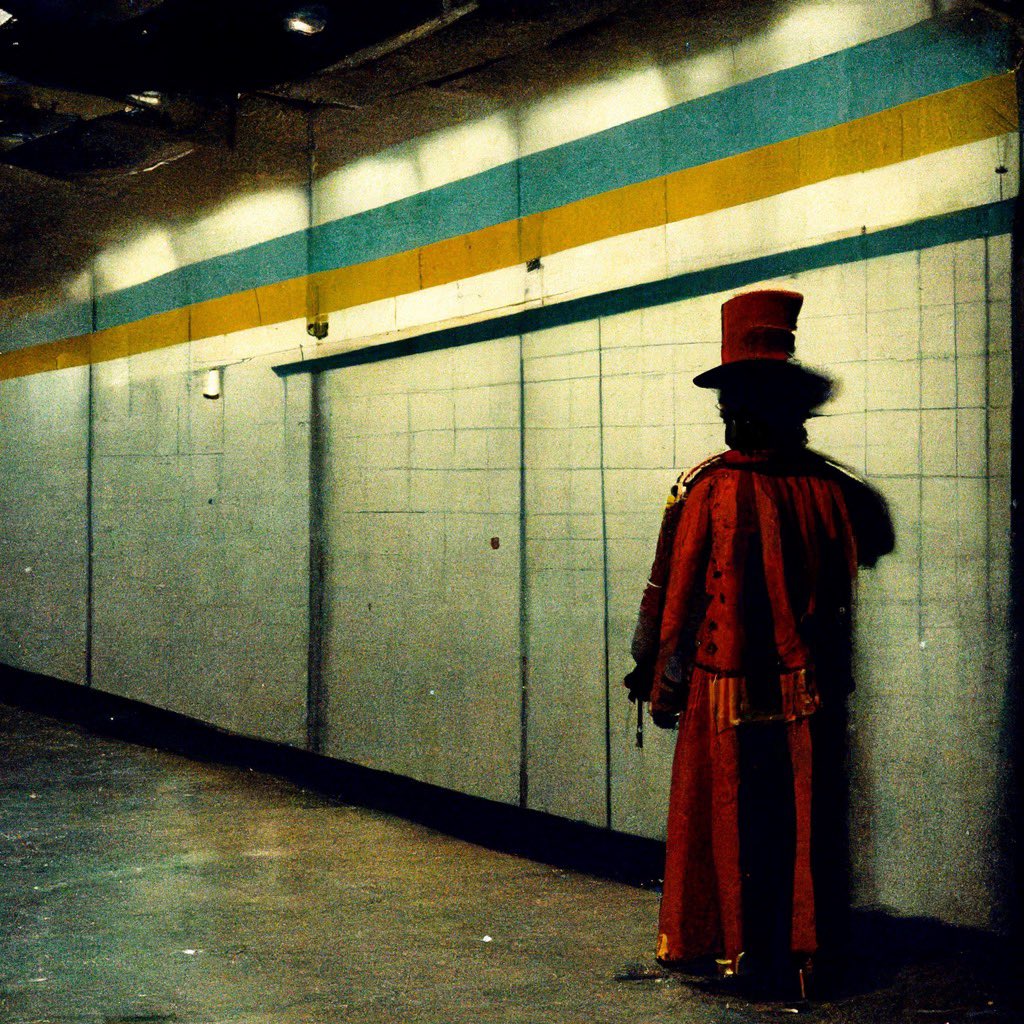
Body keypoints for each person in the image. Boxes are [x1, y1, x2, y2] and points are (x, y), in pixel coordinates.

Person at [624, 289, 894, 1000]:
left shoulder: (706, 489)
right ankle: (803, 954)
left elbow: (672, 596)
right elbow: (875, 544)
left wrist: (658, 681)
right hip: (811, 697)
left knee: (729, 825)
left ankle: (737, 953)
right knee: (802, 826)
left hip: (725, 694)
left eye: (739, 402)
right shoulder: (835, 491)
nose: (731, 417)